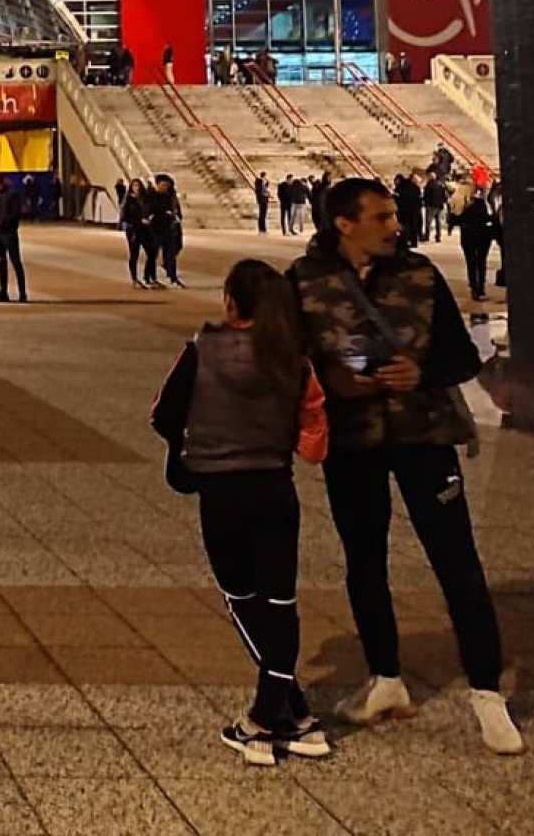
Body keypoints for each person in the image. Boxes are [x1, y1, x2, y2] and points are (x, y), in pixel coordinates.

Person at [289, 178, 521, 755]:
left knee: (457, 562)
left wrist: (423, 373)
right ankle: (385, 678)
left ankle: (489, 694)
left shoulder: (419, 274)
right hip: (352, 442)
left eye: (394, 215)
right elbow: (290, 358)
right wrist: (332, 382)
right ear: (344, 222)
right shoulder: (303, 281)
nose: (396, 225)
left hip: (424, 437)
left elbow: (463, 355)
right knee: (364, 562)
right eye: (383, 216)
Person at [150, 259, 331, 765]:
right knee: (280, 603)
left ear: (232, 302)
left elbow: (163, 413)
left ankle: (260, 720)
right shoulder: (293, 357)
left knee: (240, 597)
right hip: (276, 489)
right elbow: (314, 440)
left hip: (222, 494)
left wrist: (187, 448)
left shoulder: (201, 349)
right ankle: (297, 717)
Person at [0, 175, 29, 304]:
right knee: (1, 262)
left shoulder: (12, 194)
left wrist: (3, 222)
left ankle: (22, 293)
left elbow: (16, 214)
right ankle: (3, 291)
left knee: (16, 262)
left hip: (9, 234)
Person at [451, 187, 496, 303]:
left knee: (470, 262)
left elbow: (454, 219)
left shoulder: (460, 206)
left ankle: (474, 286)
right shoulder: (480, 203)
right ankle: (480, 288)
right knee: (481, 262)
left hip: (467, 237)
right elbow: (485, 217)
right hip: (482, 236)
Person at [144, 174, 184, 288]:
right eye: (163, 185)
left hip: (167, 228)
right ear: (156, 184)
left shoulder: (168, 196)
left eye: (167, 185)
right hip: (153, 229)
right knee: (152, 254)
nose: (165, 187)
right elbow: (146, 211)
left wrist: (173, 216)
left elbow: (173, 209)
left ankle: (173, 278)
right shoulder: (149, 196)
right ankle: (149, 278)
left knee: (171, 253)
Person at [121, 178, 152, 287]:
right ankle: (134, 279)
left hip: (145, 229)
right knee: (134, 254)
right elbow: (124, 216)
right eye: (135, 186)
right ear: (131, 187)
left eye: (138, 186)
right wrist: (139, 220)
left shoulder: (145, 199)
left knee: (151, 252)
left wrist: (149, 218)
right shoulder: (128, 199)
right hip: (133, 229)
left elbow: (150, 210)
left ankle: (148, 277)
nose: (137, 188)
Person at [422, 174, 449, 244]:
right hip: (439, 206)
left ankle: (427, 236)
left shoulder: (428, 186)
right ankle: (438, 237)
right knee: (438, 222)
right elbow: (445, 196)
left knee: (428, 222)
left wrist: (425, 203)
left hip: (431, 206)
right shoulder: (440, 185)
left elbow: (425, 196)